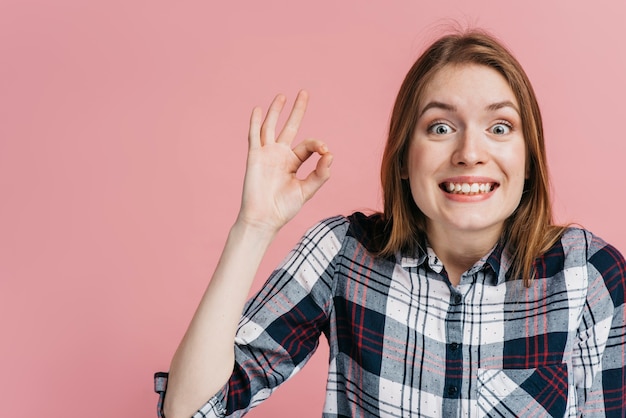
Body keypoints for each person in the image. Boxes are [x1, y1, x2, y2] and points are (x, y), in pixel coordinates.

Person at [156, 29, 626, 417]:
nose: (469, 153)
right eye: (440, 127)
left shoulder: (590, 275)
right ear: (403, 159)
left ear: (528, 161)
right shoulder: (344, 253)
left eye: (499, 128)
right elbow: (190, 410)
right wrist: (253, 227)